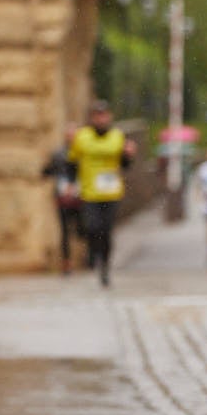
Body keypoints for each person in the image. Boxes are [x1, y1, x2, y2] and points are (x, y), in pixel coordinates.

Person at [67, 101, 137, 287]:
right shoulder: (82, 137)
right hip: (89, 191)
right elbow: (72, 162)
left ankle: (104, 265)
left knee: (106, 230)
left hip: (111, 192)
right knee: (92, 227)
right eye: (97, 115)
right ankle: (93, 254)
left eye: (104, 115)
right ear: (92, 118)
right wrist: (71, 183)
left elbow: (125, 164)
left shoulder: (117, 136)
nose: (101, 119)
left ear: (109, 116)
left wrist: (128, 155)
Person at [42, 123, 83, 275]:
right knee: (64, 230)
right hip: (62, 196)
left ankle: (88, 257)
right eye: (69, 135)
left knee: (83, 227)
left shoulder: (83, 153)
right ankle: (67, 262)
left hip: (81, 195)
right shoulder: (58, 154)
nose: (71, 138)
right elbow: (47, 170)